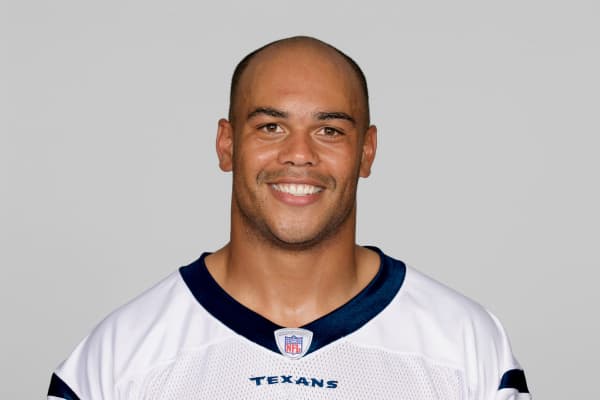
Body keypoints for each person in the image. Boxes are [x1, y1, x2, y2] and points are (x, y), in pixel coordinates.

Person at [48, 36, 531, 399]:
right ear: (227, 144)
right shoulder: (121, 355)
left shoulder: (464, 344)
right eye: (271, 127)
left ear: (367, 152)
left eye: (329, 130)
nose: (299, 154)